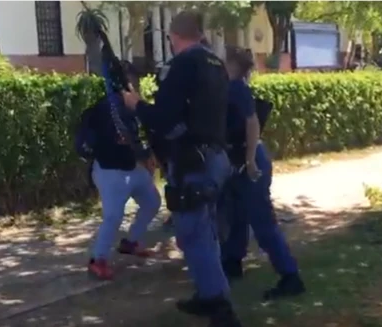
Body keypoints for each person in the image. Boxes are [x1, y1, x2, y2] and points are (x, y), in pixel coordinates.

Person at [122, 11, 241, 327]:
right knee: (204, 233)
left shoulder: (183, 65)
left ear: (174, 37)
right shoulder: (216, 65)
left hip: (193, 162)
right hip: (214, 157)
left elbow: (163, 118)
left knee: (193, 236)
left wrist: (137, 106)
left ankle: (220, 307)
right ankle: (208, 295)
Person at [219, 48, 306, 301]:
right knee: (236, 214)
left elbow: (252, 123)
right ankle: (232, 261)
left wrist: (248, 161)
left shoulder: (237, 88)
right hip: (241, 160)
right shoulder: (234, 87)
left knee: (261, 221)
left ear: (232, 64)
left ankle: (290, 276)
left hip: (249, 160)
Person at [75, 61, 161, 281]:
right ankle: (98, 260)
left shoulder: (133, 109)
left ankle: (131, 242)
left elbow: (139, 137)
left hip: (132, 167)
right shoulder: (104, 110)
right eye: (134, 81)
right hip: (109, 170)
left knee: (152, 202)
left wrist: (146, 155)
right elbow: (91, 143)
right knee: (113, 215)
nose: (138, 85)